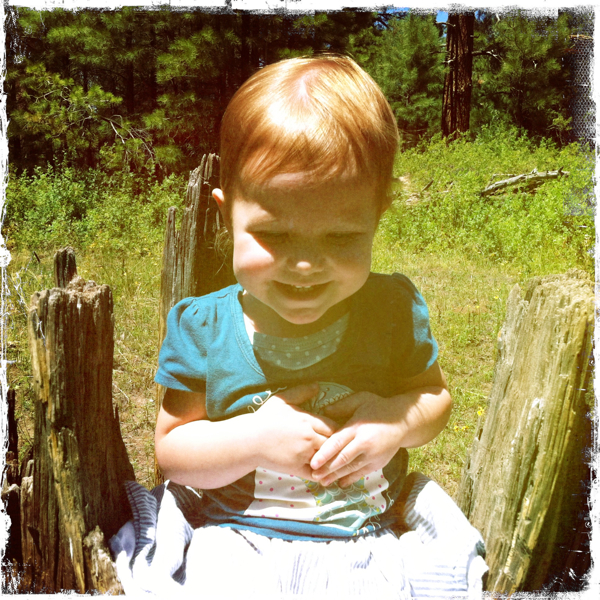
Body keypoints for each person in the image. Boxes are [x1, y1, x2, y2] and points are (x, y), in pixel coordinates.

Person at [110, 54, 488, 598]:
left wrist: (394, 423)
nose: (306, 265)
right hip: (234, 539)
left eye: (340, 237)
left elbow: (434, 398)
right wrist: (254, 441)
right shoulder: (204, 327)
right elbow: (172, 452)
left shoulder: (391, 311)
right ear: (226, 215)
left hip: (364, 542)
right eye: (275, 235)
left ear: (377, 216)